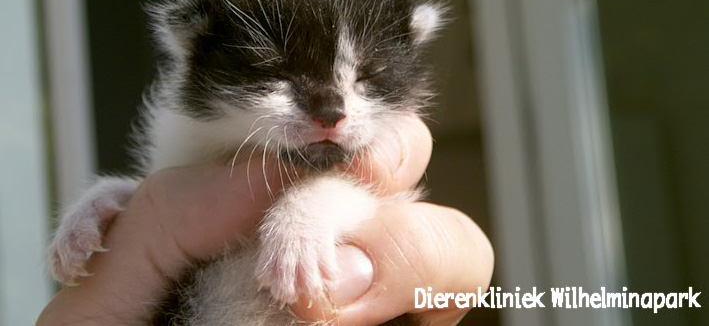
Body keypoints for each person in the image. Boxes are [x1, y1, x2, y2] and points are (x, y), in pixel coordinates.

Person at [36, 117, 493, 326]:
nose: (330, 116)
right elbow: (162, 202)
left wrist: (312, 209)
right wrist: (116, 203)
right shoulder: (188, 167)